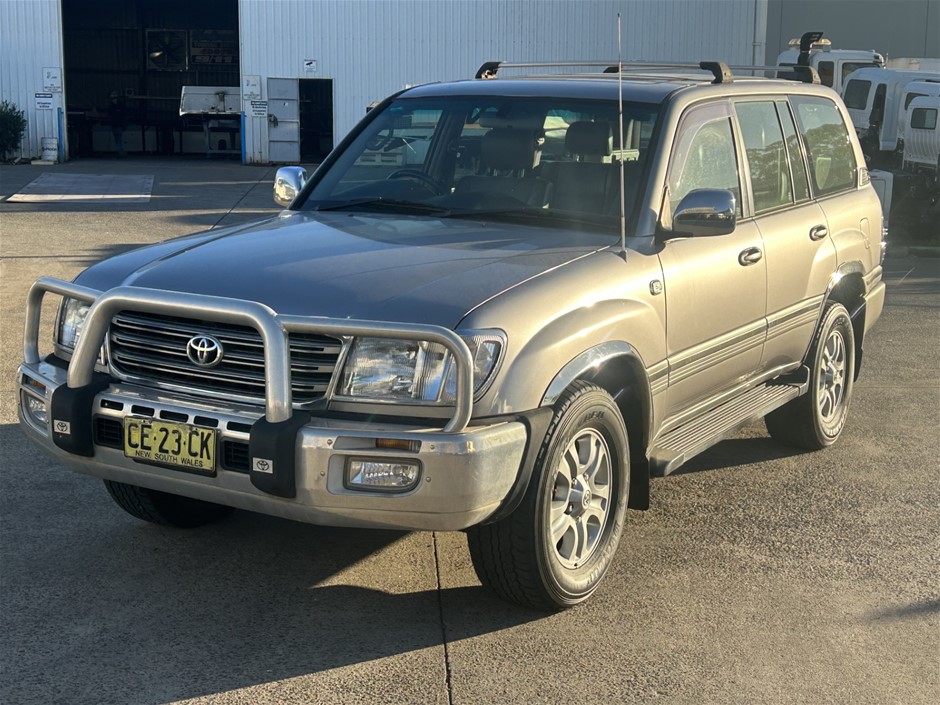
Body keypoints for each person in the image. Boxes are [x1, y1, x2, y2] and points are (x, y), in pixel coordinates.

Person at [107, 91, 127, 157]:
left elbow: (123, 116)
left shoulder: (120, 106)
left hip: (119, 125)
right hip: (115, 125)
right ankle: (120, 151)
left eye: (114, 98)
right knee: (117, 139)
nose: (113, 100)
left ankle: (120, 151)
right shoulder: (111, 107)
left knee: (119, 138)